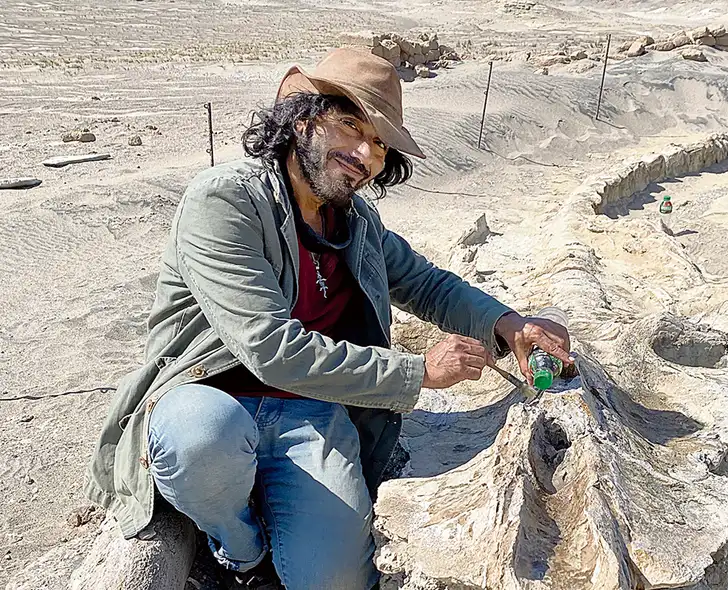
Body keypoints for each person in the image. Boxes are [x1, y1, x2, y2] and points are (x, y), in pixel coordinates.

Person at [84, 47, 572, 590]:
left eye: (380, 144)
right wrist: (418, 373)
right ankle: (240, 548)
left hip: (310, 408)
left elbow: (426, 284)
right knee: (203, 438)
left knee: (335, 578)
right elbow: (270, 348)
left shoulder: (355, 221)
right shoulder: (226, 201)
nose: (365, 153)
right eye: (350, 126)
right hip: (209, 395)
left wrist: (507, 324)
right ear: (302, 120)